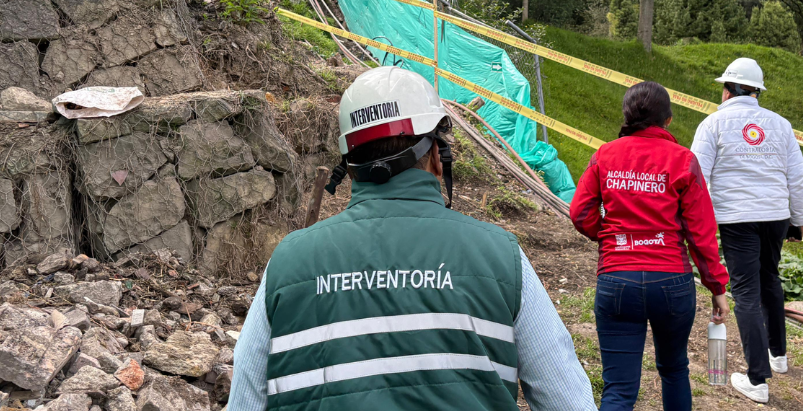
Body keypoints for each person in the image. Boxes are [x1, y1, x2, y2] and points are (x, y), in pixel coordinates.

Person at [227, 66, 597, 411]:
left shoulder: (288, 263)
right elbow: (568, 400)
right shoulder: (501, 257)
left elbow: (245, 400)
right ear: (437, 155)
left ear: (350, 165)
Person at [570, 81, 730, 411]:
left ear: (627, 115)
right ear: (668, 120)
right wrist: (717, 287)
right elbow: (700, 233)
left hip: (617, 281)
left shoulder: (604, 155)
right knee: (674, 370)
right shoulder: (683, 160)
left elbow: (581, 212)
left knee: (618, 388)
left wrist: (611, 238)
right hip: (670, 284)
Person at [690, 58, 803, 404]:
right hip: (776, 216)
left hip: (737, 218)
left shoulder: (713, 123)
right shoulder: (780, 125)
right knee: (769, 279)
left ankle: (757, 380)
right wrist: (798, 220)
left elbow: (698, 178)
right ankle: (779, 356)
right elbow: (797, 176)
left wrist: (702, 222)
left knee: (744, 292)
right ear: (756, 91)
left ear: (727, 89)